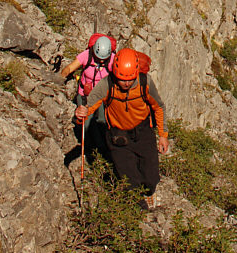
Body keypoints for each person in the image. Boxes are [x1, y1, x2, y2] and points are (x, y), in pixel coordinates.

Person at [75, 47, 169, 209]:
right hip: (118, 136)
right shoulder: (107, 84)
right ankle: (137, 212)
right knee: (129, 180)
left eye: (130, 79)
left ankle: (148, 193)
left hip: (143, 132)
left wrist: (163, 134)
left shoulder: (145, 82)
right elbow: (90, 105)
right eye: (121, 79)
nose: (125, 83)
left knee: (151, 178)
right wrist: (81, 113)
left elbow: (158, 107)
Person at [62, 35, 115, 153]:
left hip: (102, 97)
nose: (101, 61)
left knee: (102, 121)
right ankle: (88, 147)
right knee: (86, 123)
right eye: (99, 58)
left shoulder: (112, 59)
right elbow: (70, 68)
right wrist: (61, 77)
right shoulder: (87, 55)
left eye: (104, 59)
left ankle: (101, 148)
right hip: (85, 95)